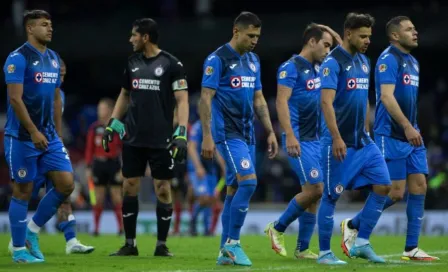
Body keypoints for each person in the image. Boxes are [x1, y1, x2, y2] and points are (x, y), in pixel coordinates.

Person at [341, 16, 439, 261]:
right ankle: (353, 225)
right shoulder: (388, 59)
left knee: (419, 187)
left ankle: (411, 248)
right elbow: (386, 97)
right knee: (395, 193)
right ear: (395, 35)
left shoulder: (413, 62)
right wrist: (406, 126)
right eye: (409, 29)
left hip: (411, 133)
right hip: (392, 134)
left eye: (415, 28)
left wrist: (412, 127)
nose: (415, 32)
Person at [104, 18, 189, 257]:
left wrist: (181, 132)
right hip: (133, 137)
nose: (130, 39)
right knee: (129, 185)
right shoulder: (132, 62)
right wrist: (112, 124)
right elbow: (124, 94)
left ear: (145, 37)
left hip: (161, 139)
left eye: (134, 35)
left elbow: (182, 100)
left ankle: (161, 245)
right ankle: (130, 244)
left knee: (163, 188)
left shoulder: (172, 64)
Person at [200, 11, 278, 266]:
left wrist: (269, 131)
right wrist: (207, 136)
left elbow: (258, 99)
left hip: (247, 135)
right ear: (236, 31)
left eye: (257, 36)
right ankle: (233, 244)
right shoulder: (217, 59)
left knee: (234, 189)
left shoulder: (254, 60)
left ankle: (224, 250)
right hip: (227, 133)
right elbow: (205, 99)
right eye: (250, 35)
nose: (255, 40)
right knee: (249, 183)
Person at [317, 12, 391, 265]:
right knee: (330, 196)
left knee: (383, 185)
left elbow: (364, 100)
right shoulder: (332, 63)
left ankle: (360, 242)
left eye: (369, 36)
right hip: (338, 141)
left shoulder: (364, 61)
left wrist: (367, 131)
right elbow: (326, 103)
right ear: (349, 34)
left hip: (362, 140)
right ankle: (325, 253)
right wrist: (337, 137)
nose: (368, 40)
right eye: (363, 36)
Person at [3, 10, 75, 263]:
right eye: (44, 25)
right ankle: (19, 250)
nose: (50, 28)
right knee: (23, 191)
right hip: (21, 136)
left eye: (51, 24)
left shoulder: (54, 58)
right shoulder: (18, 58)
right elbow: (14, 98)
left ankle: (32, 231)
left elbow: (56, 98)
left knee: (66, 184)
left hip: (49, 136)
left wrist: (56, 132)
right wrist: (33, 131)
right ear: (30, 29)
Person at [265, 23, 341, 260]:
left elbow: (343, 50)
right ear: (311, 42)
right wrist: (289, 135)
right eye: (325, 44)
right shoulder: (291, 67)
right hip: (299, 138)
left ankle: (303, 248)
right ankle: (277, 228)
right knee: (316, 188)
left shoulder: (320, 67)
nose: (329, 50)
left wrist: (328, 31)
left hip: (316, 140)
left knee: (314, 194)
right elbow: (281, 101)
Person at [85, 98, 123, 236]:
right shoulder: (94, 128)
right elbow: (89, 149)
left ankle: (121, 228)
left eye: (102, 108)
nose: (99, 111)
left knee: (117, 198)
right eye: (98, 109)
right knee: (98, 198)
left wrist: (123, 168)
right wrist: (88, 167)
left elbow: (125, 146)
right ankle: (96, 229)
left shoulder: (117, 126)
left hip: (114, 164)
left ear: (110, 109)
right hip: (99, 165)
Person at [187, 119, 225, 236]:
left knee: (211, 199)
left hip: (211, 169)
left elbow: (216, 150)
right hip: (198, 169)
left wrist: (224, 167)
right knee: (204, 198)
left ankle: (206, 230)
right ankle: (193, 223)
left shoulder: (215, 127)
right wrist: (198, 167)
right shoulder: (198, 127)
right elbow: (191, 147)